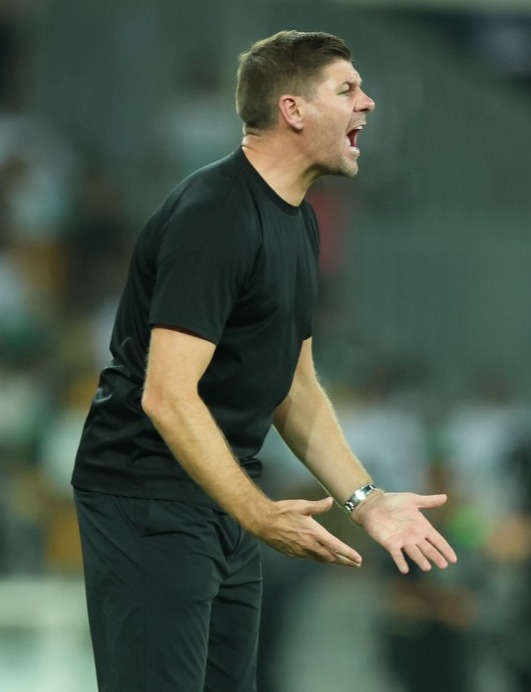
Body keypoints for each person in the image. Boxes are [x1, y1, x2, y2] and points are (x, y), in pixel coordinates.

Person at [71, 30, 457, 692]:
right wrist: (257, 512)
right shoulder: (215, 213)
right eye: (347, 89)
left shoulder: (300, 221)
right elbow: (166, 394)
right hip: (147, 497)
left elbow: (295, 389)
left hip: (224, 496)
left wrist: (363, 501)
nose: (369, 102)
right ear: (293, 110)